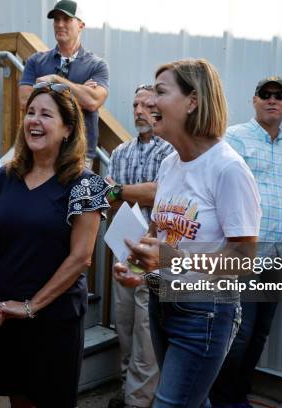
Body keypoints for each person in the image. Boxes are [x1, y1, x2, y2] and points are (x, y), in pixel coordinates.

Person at [114, 59, 262, 408]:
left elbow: (243, 260)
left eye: (160, 92)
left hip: (205, 312)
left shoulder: (228, 169)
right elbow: (158, 234)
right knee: (189, 400)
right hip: (161, 302)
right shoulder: (170, 164)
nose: (149, 102)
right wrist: (137, 268)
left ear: (192, 101)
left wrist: (169, 259)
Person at [0, 81, 111, 408]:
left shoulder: (85, 185)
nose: (34, 121)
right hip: (5, 314)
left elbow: (81, 257)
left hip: (54, 318)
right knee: (17, 399)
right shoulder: (3, 178)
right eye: (30, 113)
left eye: (46, 115)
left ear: (67, 129)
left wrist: (31, 306)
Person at [211, 77, 282, 408]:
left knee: (261, 331)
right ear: (254, 100)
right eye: (266, 94)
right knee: (240, 332)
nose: (272, 100)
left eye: (280, 96)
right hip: (245, 252)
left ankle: (239, 394)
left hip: (277, 254)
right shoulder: (235, 137)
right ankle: (221, 398)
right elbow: (219, 186)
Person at [106, 84, 174, 408]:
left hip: (154, 253)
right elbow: (109, 198)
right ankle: (128, 389)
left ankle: (139, 401)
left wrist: (121, 191)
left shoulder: (170, 152)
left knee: (147, 333)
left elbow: (158, 194)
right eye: (135, 105)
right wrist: (123, 193)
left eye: (147, 105)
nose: (139, 111)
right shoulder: (120, 152)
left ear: (159, 109)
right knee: (125, 324)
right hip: (125, 248)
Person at [19, 0, 109, 169]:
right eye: (56, 19)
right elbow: (25, 101)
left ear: (81, 25)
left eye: (67, 20)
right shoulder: (36, 61)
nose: (60, 24)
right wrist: (79, 89)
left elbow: (92, 102)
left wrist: (55, 80)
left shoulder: (97, 65)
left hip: (78, 153)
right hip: (39, 151)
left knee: (72, 196)